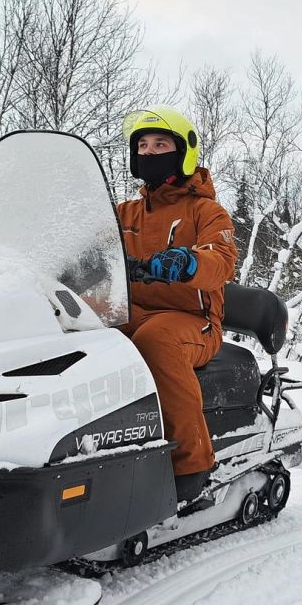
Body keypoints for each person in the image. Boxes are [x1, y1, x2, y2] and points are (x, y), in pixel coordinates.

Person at [117, 106, 238, 501]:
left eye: (161, 144)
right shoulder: (124, 213)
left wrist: (188, 262)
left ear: (183, 151)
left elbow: (221, 261)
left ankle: (192, 462)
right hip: (127, 314)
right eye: (143, 146)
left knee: (156, 340)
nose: (150, 153)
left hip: (194, 322)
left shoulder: (206, 210)